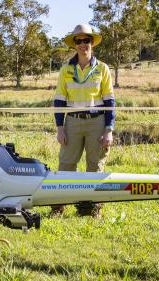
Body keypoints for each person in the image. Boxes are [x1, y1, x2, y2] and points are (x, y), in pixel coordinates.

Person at [51, 24, 115, 217]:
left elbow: (110, 101)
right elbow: (59, 101)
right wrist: (60, 128)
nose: (82, 44)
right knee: (66, 164)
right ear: (74, 45)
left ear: (92, 43)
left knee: (95, 166)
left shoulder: (102, 69)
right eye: (78, 41)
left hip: (97, 122)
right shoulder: (65, 70)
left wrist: (108, 129)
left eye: (86, 40)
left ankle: (91, 209)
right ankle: (58, 207)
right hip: (72, 122)